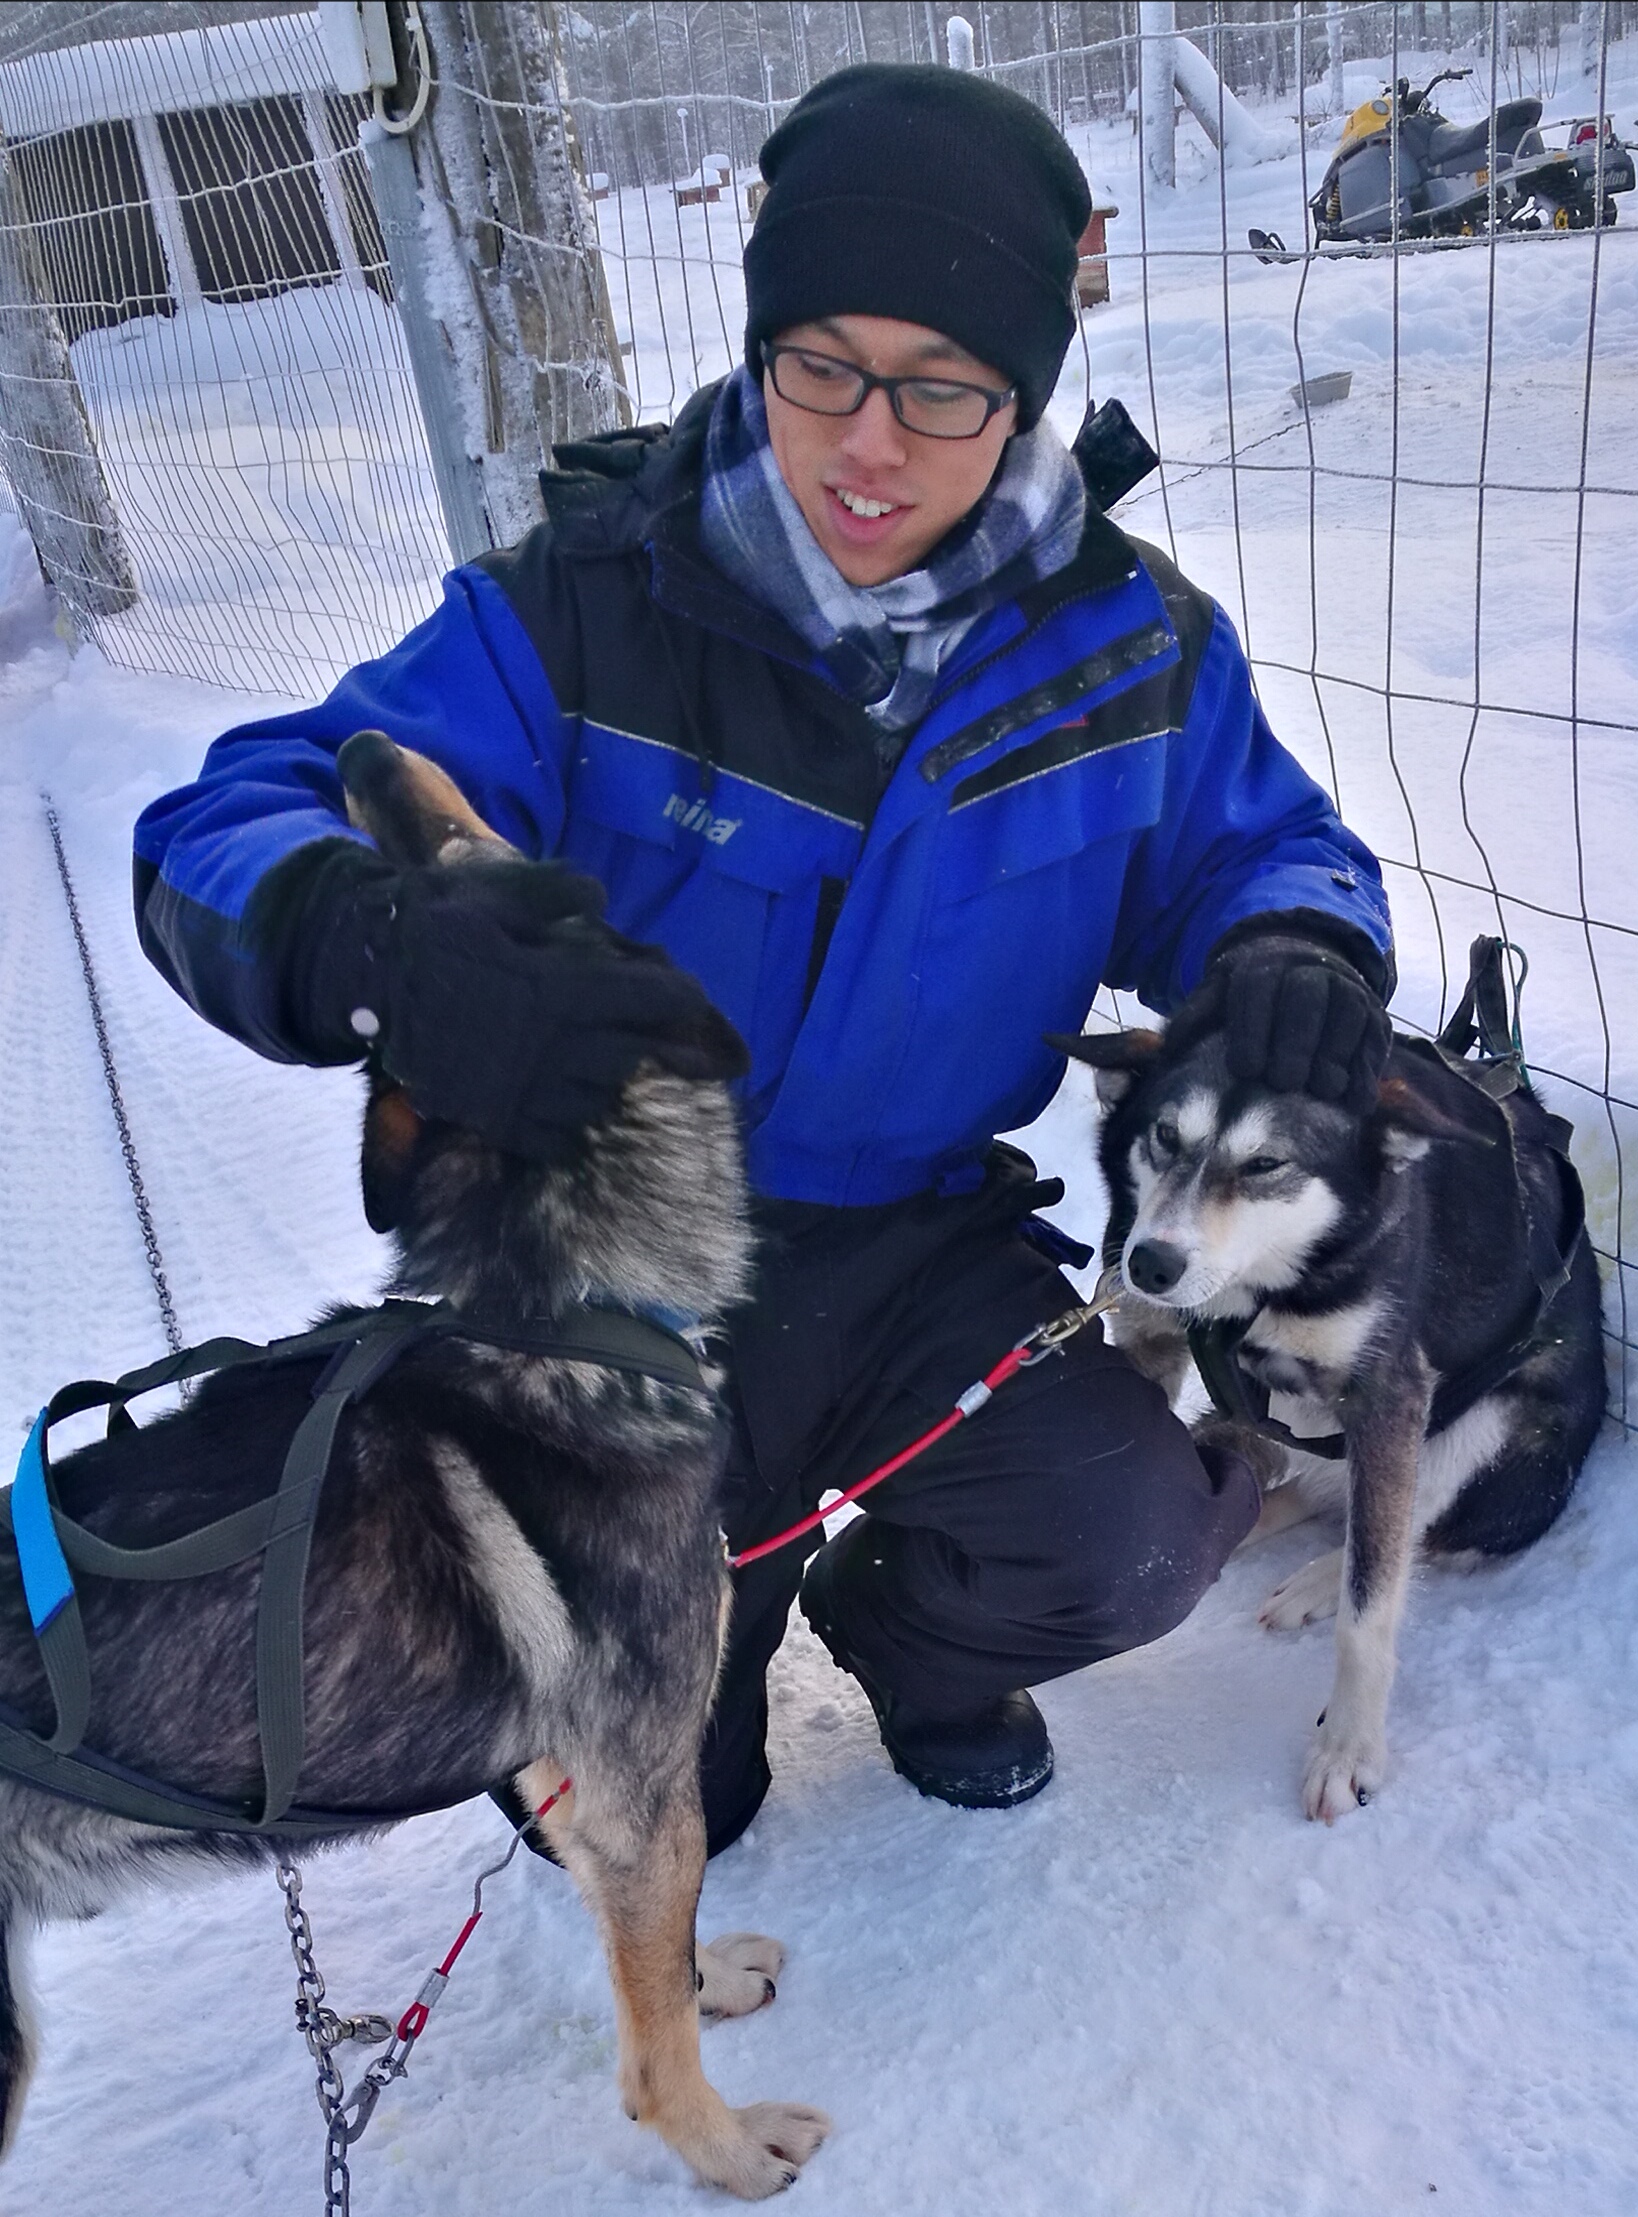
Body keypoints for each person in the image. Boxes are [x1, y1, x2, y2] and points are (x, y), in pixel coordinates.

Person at [132, 65, 1393, 1853]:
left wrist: (1298, 943)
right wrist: (366, 931)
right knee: (654, 1805)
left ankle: (914, 1638)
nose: (869, 442)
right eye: (821, 365)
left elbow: (1270, 850)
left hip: (918, 1248)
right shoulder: (590, 604)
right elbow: (237, 810)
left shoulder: (1134, 655)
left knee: (1125, 1540)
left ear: (1024, 393)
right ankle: (722, 1627)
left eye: (940, 387)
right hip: (611, 1265)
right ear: (760, 346)